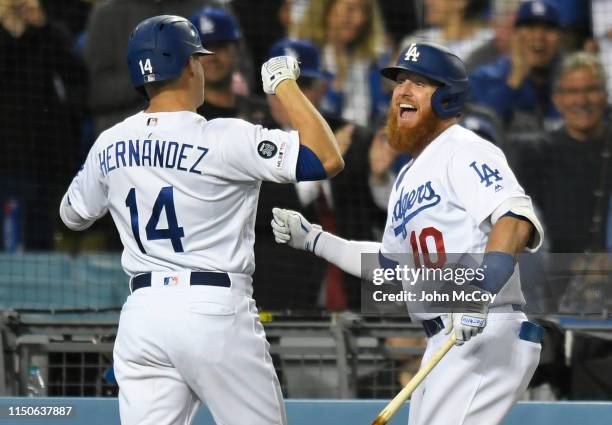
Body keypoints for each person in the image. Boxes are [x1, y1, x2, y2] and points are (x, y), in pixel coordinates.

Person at [59, 15, 343, 425]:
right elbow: (327, 157)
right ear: (190, 66)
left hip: (142, 316)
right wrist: (284, 84)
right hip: (213, 310)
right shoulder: (225, 136)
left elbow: (72, 216)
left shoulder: (110, 142)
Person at [271, 41, 545, 425]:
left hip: (484, 329)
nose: (402, 90)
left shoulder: (465, 148)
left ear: (447, 98)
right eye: (400, 81)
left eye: (419, 82)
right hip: (444, 340)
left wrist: (480, 291)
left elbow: (514, 219)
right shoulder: (406, 176)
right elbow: (387, 265)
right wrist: (316, 239)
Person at [254, 38, 393, 311]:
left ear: (323, 87)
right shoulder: (253, 141)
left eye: (301, 85)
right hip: (282, 293)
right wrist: (323, 162)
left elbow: (383, 216)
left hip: (356, 291)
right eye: (280, 87)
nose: (289, 96)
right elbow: (262, 212)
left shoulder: (355, 138)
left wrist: (379, 178)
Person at [515, 52, 611, 255]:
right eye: (572, 92)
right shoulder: (536, 154)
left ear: (605, 95)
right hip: (555, 277)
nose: (582, 100)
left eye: (591, 90)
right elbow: (525, 230)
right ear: (557, 100)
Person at [469, 1, 563, 136]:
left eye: (548, 28)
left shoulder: (571, 78)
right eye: (530, 27)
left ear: (560, 37)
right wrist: (515, 79)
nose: (539, 37)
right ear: (514, 34)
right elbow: (483, 124)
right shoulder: (483, 77)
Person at [291, 0, 389, 126]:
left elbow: (380, 112)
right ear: (326, 9)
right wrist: (337, 86)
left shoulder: (370, 60)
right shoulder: (301, 55)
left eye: (364, 10)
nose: (359, 19)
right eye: (350, 9)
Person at [189, 6, 253, 119]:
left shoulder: (260, 113)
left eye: (220, 47)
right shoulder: (186, 117)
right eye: (203, 48)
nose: (211, 57)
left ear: (237, 50)